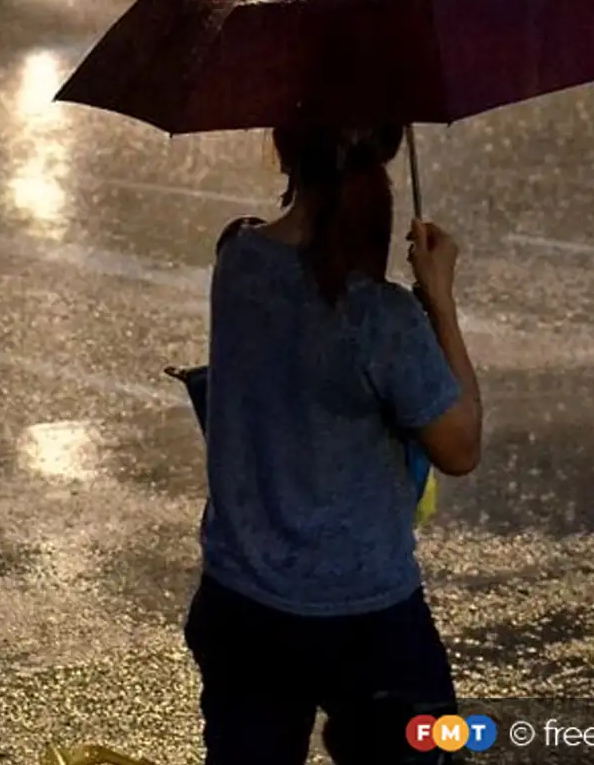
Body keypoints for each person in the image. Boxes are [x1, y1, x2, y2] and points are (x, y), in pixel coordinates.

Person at [183, 123, 484, 765]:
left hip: (241, 607)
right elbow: (460, 446)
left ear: (286, 146)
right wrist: (440, 299)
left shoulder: (236, 259)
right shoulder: (380, 317)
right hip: (367, 619)